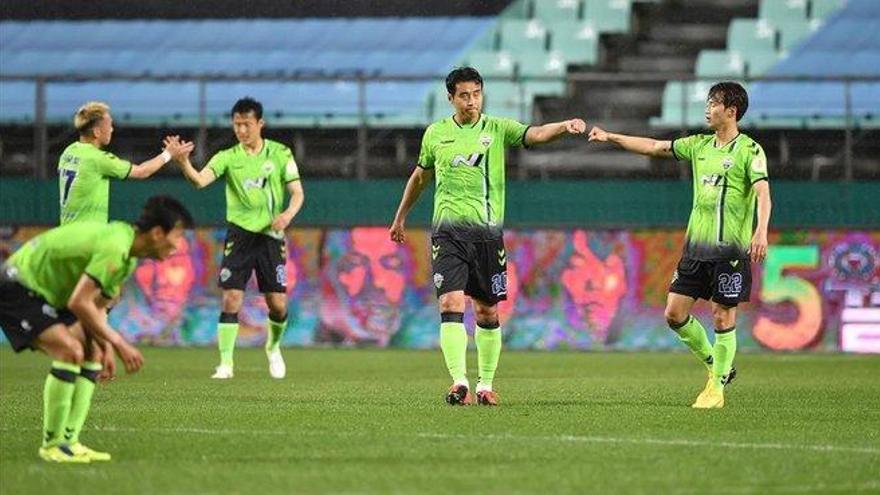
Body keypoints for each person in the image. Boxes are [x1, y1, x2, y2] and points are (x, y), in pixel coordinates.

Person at [389, 67, 587, 406]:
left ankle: (486, 384)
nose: (471, 102)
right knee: (450, 303)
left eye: (476, 94)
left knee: (487, 313)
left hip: (486, 237)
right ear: (450, 98)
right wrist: (400, 218)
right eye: (464, 95)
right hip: (447, 235)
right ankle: (459, 382)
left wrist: (564, 127)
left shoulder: (496, 128)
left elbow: (536, 134)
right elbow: (420, 177)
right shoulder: (435, 134)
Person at [588, 81, 772, 408]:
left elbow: (762, 194)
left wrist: (760, 232)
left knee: (722, 317)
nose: (707, 108)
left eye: (713, 103)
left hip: (729, 251)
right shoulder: (699, 145)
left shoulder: (750, 150)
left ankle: (715, 389)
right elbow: (655, 147)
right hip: (695, 250)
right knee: (674, 314)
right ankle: (717, 364)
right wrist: (612, 137)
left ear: (731, 111)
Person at [0, 196, 194, 462]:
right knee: (70, 351)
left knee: (91, 353)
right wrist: (119, 343)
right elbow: (78, 302)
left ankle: (70, 442)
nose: (178, 244)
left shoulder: (128, 256)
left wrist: (104, 347)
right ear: (158, 233)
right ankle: (52, 445)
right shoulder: (116, 246)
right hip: (18, 284)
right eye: (178, 235)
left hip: (46, 293)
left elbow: (97, 305)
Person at [176, 97, 305, 380]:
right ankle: (225, 364)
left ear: (260, 124)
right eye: (236, 125)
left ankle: (273, 347)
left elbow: (297, 193)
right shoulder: (227, 157)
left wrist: (287, 215)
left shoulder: (280, 153)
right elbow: (199, 181)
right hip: (240, 235)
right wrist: (184, 162)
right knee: (231, 298)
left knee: (277, 304)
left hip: (271, 236)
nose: (241, 130)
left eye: (246, 124)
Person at [58, 101, 192, 225]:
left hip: (66, 232)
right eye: (109, 125)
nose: (112, 129)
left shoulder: (68, 152)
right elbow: (142, 171)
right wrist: (168, 154)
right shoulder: (98, 159)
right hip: (88, 236)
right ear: (97, 132)